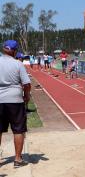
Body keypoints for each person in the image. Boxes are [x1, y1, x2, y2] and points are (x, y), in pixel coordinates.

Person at [0, 40, 31, 168]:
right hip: (15, 101)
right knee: (18, 130)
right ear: (14, 51)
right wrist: (26, 96)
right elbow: (27, 84)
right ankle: (17, 159)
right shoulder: (18, 64)